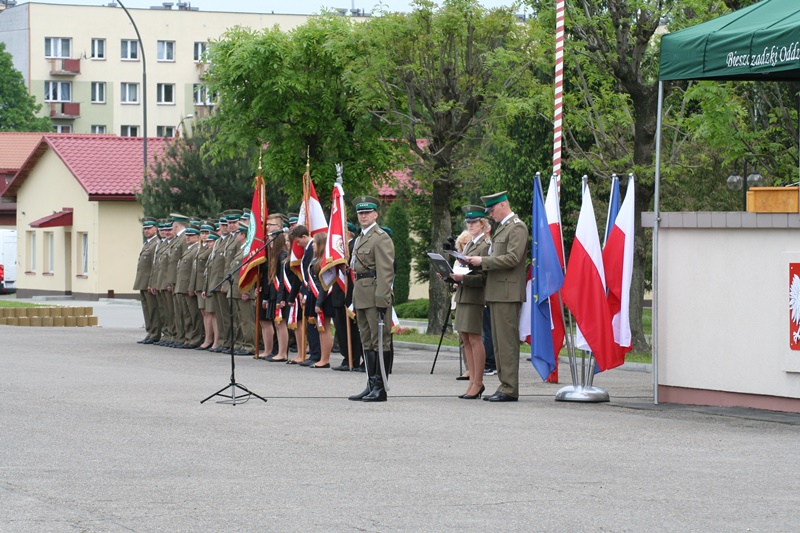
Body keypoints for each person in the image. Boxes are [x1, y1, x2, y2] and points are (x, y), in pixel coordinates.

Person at [465, 191, 528, 402]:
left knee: (507, 343)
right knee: (499, 344)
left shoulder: (517, 226)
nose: (491, 215)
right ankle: (504, 385)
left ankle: (509, 388)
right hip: (497, 291)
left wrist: (481, 261)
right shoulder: (503, 228)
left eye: (492, 210)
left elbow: (512, 258)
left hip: (507, 293)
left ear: (502, 205)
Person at [348, 196, 395, 402]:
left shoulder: (381, 237)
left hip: (376, 294)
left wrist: (383, 297)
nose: (363, 216)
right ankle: (370, 383)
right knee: (366, 341)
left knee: (379, 341)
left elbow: (386, 271)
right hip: (361, 294)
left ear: (376, 214)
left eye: (367, 212)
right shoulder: (360, 238)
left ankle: (380, 387)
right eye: (360, 213)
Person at [450, 206, 491, 399]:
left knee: (474, 339)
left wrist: (462, 279)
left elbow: (483, 277)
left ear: (483, 223)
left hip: (475, 296)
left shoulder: (485, 245)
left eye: (474, 222)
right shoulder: (469, 245)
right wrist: (451, 277)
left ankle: (478, 382)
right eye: (468, 222)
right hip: (464, 295)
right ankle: (473, 380)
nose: (471, 225)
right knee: (465, 338)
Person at [257, 214, 290, 361]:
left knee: (280, 323)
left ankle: (282, 353)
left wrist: (280, 297)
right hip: (272, 291)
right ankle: (271, 350)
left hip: (279, 292)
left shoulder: (282, 253)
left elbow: (281, 278)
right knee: (276, 323)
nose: (267, 228)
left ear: (278, 227)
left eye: (270, 225)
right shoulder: (272, 253)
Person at [134, 217, 160, 344]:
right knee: (146, 308)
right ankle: (150, 332)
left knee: (152, 308)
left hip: (149, 281)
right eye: (145, 229)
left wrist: (151, 281)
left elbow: (154, 265)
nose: (147, 231)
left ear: (156, 229)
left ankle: (155, 333)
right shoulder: (147, 243)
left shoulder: (155, 244)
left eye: (149, 228)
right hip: (142, 281)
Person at [309, 232, 333, 368]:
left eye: (314, 243)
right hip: (317, 297)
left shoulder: (323, 262)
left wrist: (319, 302)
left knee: (325, 329)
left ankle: (325, 359)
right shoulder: (316, 260)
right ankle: (323, 358)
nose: (312, 245)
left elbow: (324, 285)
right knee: (321, 329)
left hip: (324, 298)